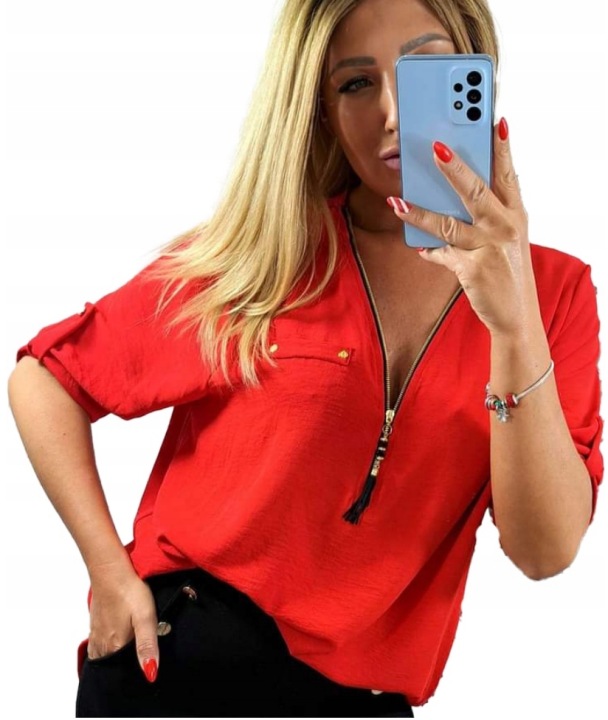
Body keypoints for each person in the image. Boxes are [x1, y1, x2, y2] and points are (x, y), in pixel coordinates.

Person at [7, 0, 604, 716]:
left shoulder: (554, 296)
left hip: (360, 698)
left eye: (423, 71)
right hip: (182, 669)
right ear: (321, 112)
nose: (392, 114)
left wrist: (512, 326)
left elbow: (544, 551)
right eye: (356, 84)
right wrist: (109, 574)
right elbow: (45, 379)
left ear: (477, 72)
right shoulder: (272, 251)